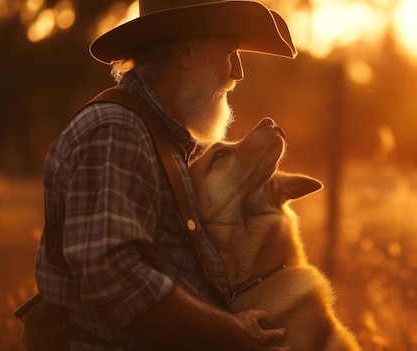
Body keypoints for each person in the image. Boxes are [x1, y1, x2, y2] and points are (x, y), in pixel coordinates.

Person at [34, 0, 298, 350]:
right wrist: (228, 331)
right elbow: (113, 275)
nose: (238, 71)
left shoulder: (151, 132)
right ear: (187, 51)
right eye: (230, 53)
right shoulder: (118, 130)